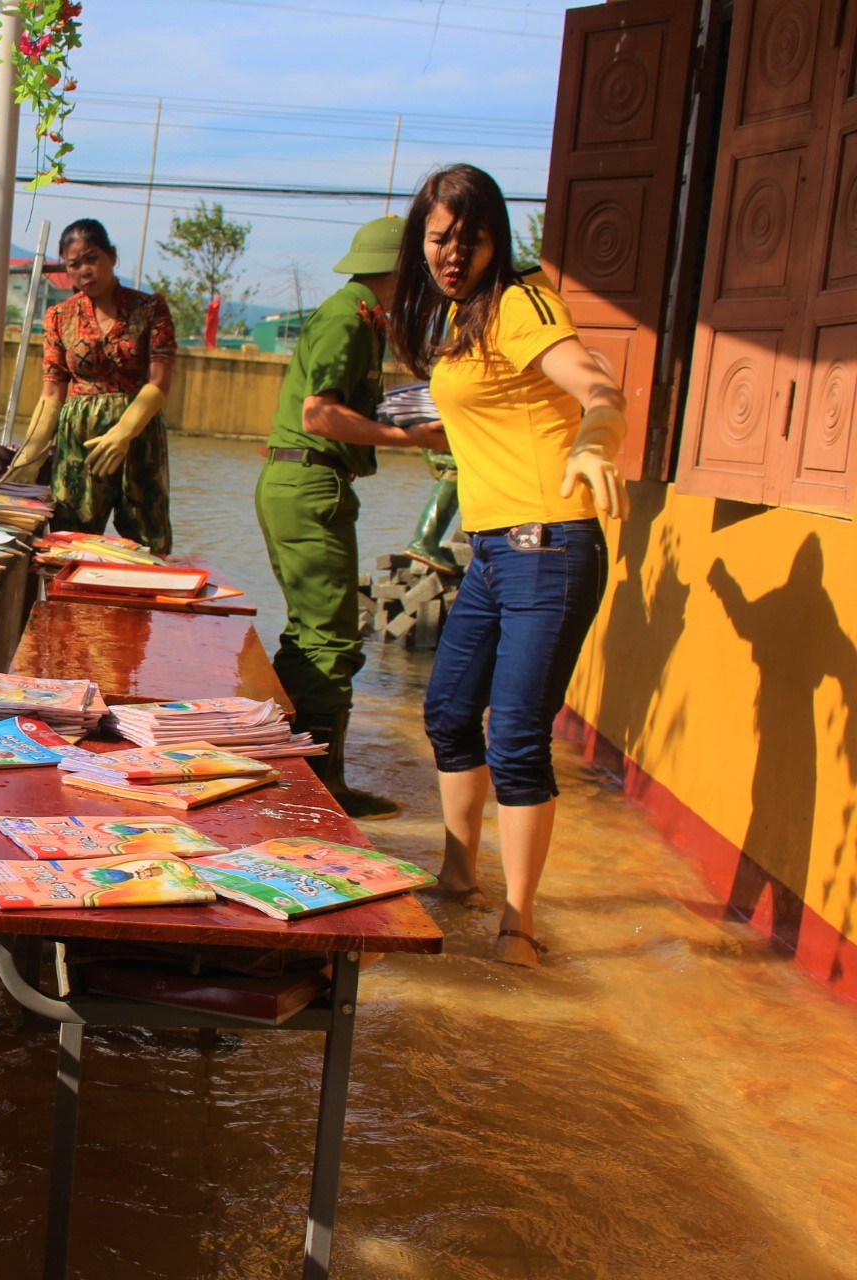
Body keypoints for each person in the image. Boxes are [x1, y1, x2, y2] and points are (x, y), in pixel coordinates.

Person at [390, 164, 628, 967]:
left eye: (471, 236)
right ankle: (459, 878)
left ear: (498, 238)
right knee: (451, 712)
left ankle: (520, 924)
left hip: (551, 546)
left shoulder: (522, 305)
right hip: (492, 550)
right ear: (420, 241)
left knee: (519, 736)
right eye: (438, 237)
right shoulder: (462, 316)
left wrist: (595, 439)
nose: (453, 252)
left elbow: (596, 383)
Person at [256, 214, 448, 820]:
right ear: (405, 270)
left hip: (302, 482)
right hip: (310, 481)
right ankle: (318, 786)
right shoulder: (348, 318)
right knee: (333, 636)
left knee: (312, 631)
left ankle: (293, 768)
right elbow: (320, 415)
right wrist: (412, 436)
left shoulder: (359, 315)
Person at [0, 218, 177, 553]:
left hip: (138, 439)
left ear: (112, 256)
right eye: (74, 264)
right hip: (78, 443)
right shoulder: (58, 317)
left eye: (92, 258)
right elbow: (52, 392)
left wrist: (123, 432)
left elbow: (159, 383)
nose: (84, 270)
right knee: (69, 542)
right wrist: (29, 458)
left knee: (145, 546)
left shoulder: (150, 308)